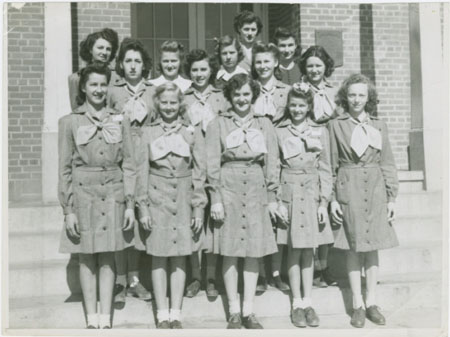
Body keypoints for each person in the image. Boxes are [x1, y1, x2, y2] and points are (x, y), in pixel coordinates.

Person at [58, 62, 136, 329]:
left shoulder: (120, 119)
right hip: (83, 196)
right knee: (87, 256)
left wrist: (129, 204)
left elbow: (129, 164)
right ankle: (91, 319)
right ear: (83, 87)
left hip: (113, 194)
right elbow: (64, 168)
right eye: (93, 84)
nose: (99, 90)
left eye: (103, 84)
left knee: (108, 255)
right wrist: (68, 210)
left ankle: (106, 318)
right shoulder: (70, 122)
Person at [205, 73, 279, 329]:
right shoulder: (218, 124)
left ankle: (249, 310)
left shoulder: (264, 124)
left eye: (246, 94)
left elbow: (272, 163)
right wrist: (215, 198)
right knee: (230, 250)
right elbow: (212, 163)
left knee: (252, 252)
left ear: (254, 96)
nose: (241, 99)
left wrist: (271, 197)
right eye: (236, 94)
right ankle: (234, 311)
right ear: (229, 96)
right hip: (229, 188)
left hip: (256, 188)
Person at [329, 74, 399, 328]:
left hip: (376, 188)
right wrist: (332, 199)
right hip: (349, 186)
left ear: (368, 98)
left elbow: (387, 162)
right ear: (345, 97)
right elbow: (330, 164)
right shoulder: (335, 125)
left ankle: (372, 302)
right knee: (353, 247)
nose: (356, 99)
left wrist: (392, 197)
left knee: (373, 248)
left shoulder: (379, 125)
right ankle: (356, 304)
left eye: (361, 95)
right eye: (352, 94)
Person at [136, 82, 207, 329]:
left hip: (185, 199)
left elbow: (200, 171)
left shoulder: (190, 131)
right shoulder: (148, 132)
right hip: (157, 200)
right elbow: (140, 171)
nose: (169, 107)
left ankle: (176, 312)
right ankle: (162, 313)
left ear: (180, 104)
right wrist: (142, 207)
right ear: (158, 104)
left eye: (173, 102)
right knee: (158, 255)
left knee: (179, 257)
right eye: (164, 102)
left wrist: (198, 207)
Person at [275, 83, 332, 328]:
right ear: (288, 106)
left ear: (309, 106)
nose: (297, 109)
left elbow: (326, 168)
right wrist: (277, 201)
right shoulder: (279, 131)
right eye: (293, 105)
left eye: (302, 105)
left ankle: (308, 302)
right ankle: (296, 303)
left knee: (309, 250)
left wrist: (323, 202)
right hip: (289, 193)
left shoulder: (320, 131)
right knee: (293, 249)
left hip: (311, 194)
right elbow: (274, 168)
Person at [107, 38, 155, 308]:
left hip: (146, 158)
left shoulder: (152, 92)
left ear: (144, 64)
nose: (133, 66)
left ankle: (136, 279)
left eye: (137, 61)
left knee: (140, 220)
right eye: (128, 61)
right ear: (121, 65)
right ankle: (120, 280)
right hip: (121, 159)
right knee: (122, 220)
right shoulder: (113, 92)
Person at [182, 49, 229, 299]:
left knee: (213, 222)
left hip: (216, 163)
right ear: (189, 72)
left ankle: (211, 276)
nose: (199, 74)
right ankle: (194, 276)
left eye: (204, 69)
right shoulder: (183, 98)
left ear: (211, 70)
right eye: (195, 70)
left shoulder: (221, 98)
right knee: (194, 219)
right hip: (190, 165)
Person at [299, 45, 340, 287]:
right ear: (304, 67)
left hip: (333, 145)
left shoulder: (335, 91)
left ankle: (325, 266)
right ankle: (312, 267)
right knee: (313, 207)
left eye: (318, 65)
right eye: (310, 65)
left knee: (330, 203)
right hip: (311, 147)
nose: (314, 70)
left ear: (326, 67)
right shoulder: (300, 90)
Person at [68, 28, 119, 111]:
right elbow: (76, 110)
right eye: (100, 48)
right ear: (91, 49)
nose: (104, 52)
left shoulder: (118, 78)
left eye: (108, 49)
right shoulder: (76, 78)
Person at [252, 42, 291, 125]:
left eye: (266, 61)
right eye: (258, 62)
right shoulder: (249, 89)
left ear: (276, 62)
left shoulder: (287, 91)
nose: (262, 66)